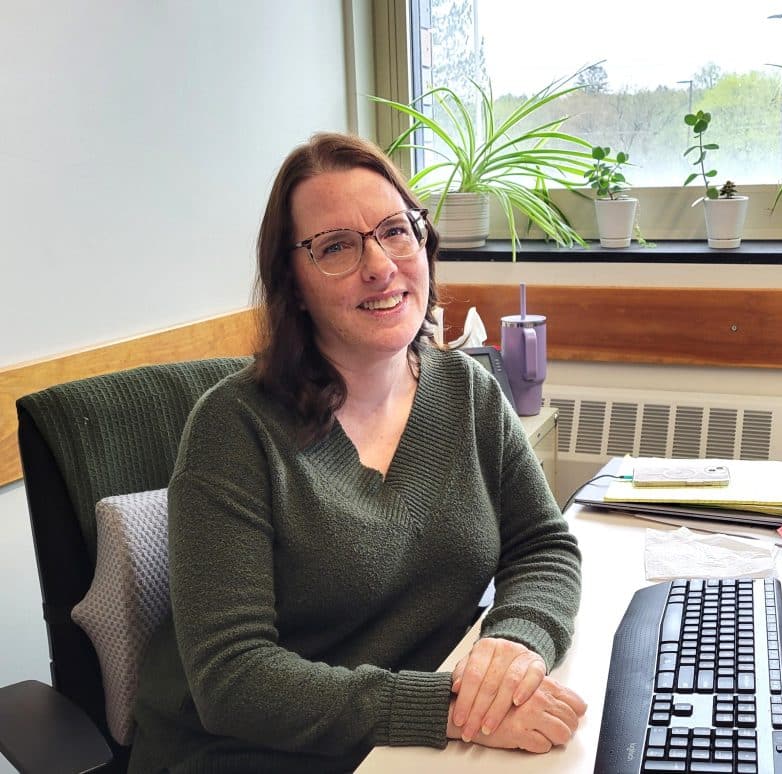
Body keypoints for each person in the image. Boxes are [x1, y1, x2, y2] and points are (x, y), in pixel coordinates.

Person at [128, 132, 586, 773]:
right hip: (249, 754)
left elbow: (543, 544)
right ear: (294, 281)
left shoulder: (468, 393)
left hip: (405, 744)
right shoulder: (233, 431)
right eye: (336, 247)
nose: (379, 265)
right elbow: (233, 679)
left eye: (396, 231)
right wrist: (448, 708)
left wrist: (517, 639)